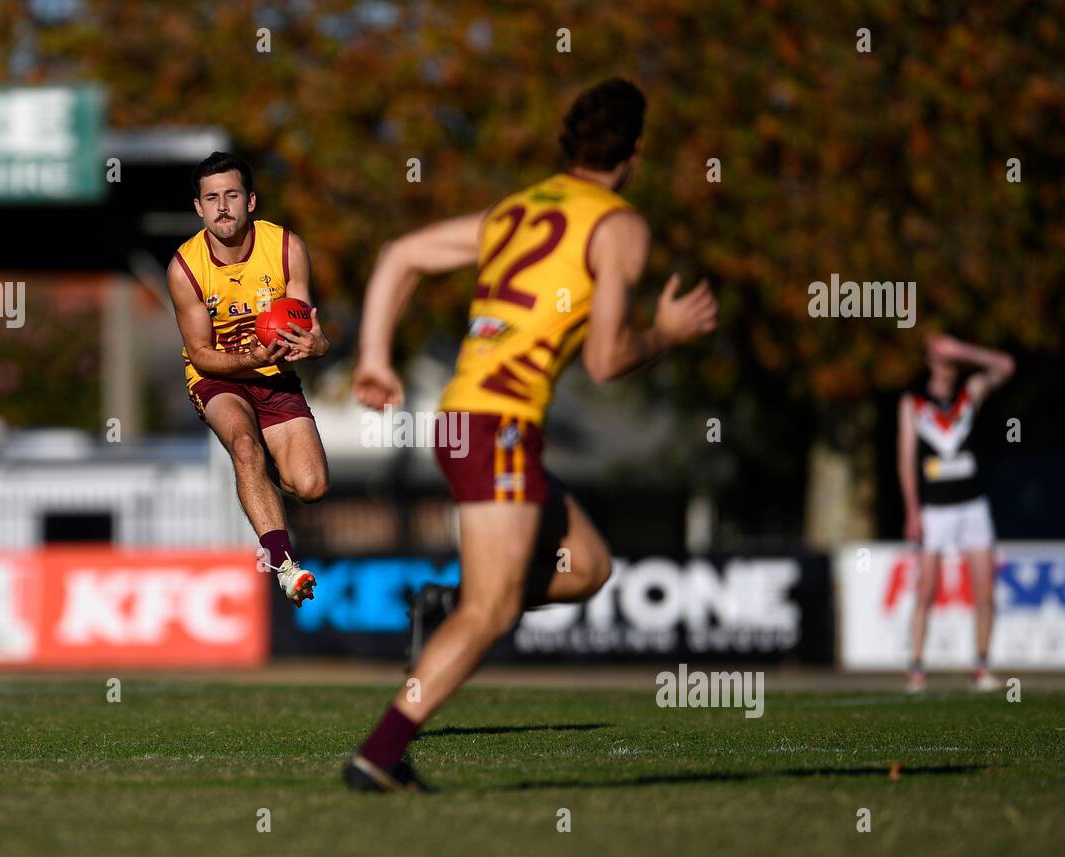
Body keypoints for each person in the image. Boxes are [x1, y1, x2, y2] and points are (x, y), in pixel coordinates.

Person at [345, 78, 718, 791]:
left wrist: (373, 357)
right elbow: (608, 360)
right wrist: (666, 334)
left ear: (568, 144)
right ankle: (381, 753)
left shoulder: (515, 210)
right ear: (636, 151)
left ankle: (445, 610)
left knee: (587, 567)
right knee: (494, 610)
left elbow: (400, 253)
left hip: (463, 417)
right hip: (498, 425)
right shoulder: (617, 225)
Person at [167, 152, 330, 606]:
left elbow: (306, 327)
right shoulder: (184, 269)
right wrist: (251, 357)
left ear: (251, 201)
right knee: (243, 445)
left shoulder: (286, 248)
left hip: (274, 374)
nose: (222, 207)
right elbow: (201, 353)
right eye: (211, 198)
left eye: (232, 195)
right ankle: (285, 565)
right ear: (199, 208)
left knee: (311, 486)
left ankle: (261, 469)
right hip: (217, 376)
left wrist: (319, 347)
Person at [898, 332, 1015, 692]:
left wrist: (964, 348)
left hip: (973, 505)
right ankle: (916, 668)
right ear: (929, 363)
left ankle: (981, 666)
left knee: (984, 588)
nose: (948, 369)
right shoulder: (914, 403)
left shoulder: (969, 394)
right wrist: (912, 510)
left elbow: (1006, 366)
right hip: (936, 510)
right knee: (927, 588)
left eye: (952, 363)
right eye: (942, 361)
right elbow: (905, 458)